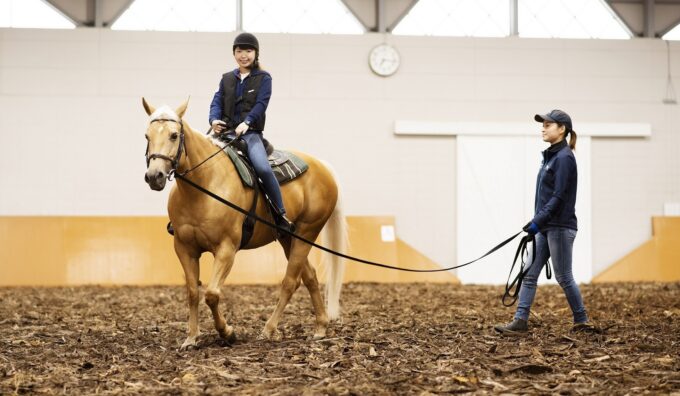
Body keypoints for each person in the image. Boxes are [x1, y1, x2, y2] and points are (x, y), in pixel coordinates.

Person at [494, 109, 590, 335]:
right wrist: (538, 223)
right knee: (529, 274)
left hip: (559, 226)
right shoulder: (552, 157)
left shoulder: (565, 158)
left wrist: (537, 221)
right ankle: (520, 321)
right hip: (545, 226)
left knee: (564, 276)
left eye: (548, 125)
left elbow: (558, 197)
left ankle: (582, 321)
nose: (543, 128)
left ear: (562, 129)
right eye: (543, 124)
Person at [209, 32, 295, 234]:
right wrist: (213, 120)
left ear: (256, 53)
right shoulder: (227, 78)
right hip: (225, 133)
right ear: (234, 53)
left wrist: (247, 123)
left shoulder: (264, 78)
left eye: (248, 51)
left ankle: (280, 215)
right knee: (195, 158)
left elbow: (261, 104)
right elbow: (216, 101)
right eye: (239, 51)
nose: (243, 55)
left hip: (250, 134)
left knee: (263, 169)